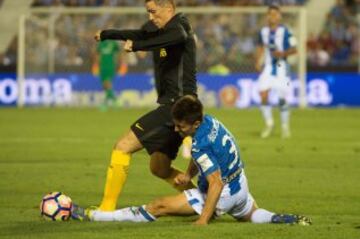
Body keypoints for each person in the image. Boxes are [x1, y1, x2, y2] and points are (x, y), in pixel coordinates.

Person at [72, 95, 311, 226]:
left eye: (181, 126)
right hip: (240, 186)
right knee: (251, 214)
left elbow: (215, 182)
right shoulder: (211, 122)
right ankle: (280, 219)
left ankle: (96, 216)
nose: (176, 130)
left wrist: (203, 221)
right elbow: (207, 158)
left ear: (194, 124)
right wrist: (189, 174)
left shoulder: (199, 144)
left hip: (223, 193)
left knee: (158, 206)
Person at [92, 0, 197, 212]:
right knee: (159, 167)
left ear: (169, 9)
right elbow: (141, 34)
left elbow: (175, 37)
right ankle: (203, 201)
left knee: (122, 147)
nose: (150, 17)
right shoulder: (159, 29)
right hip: (175, 106)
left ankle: (106, 209)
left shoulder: (180, 25)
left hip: (177, 105)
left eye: (153, 12)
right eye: (148, 12)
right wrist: (109, 34)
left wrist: (138, 46)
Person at [254, 5, 297, 139]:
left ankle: (285, 127)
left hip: (281, 67)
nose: (272, 16)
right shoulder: (263, 31)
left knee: (282, 98)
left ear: (279, 16)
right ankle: (269, 123)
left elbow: (294, 49)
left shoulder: (286, 31)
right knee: (263, 94)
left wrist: (283, 53)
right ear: (267, 16)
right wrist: (257, 61)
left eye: (275, 14)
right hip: (267, 67)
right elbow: (261, 47)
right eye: (270, 14)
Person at [94, 39, 122, 109]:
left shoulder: (113, 43)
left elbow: (119, 53)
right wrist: (97, 64)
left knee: (107, 83)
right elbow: (97, 54)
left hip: (110, 66)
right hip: (102, 67)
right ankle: (112, 101)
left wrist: (118, 63)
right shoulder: (101, 44)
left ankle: (109, 102)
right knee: (105, 85)